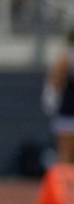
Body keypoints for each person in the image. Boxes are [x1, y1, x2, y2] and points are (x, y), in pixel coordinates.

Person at [43, 29, 74, 164]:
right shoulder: (68, 54)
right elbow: (55, 79)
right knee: (65, 155)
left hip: (67, 109)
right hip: (68, 111)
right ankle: (64, 184)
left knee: (65, 155)